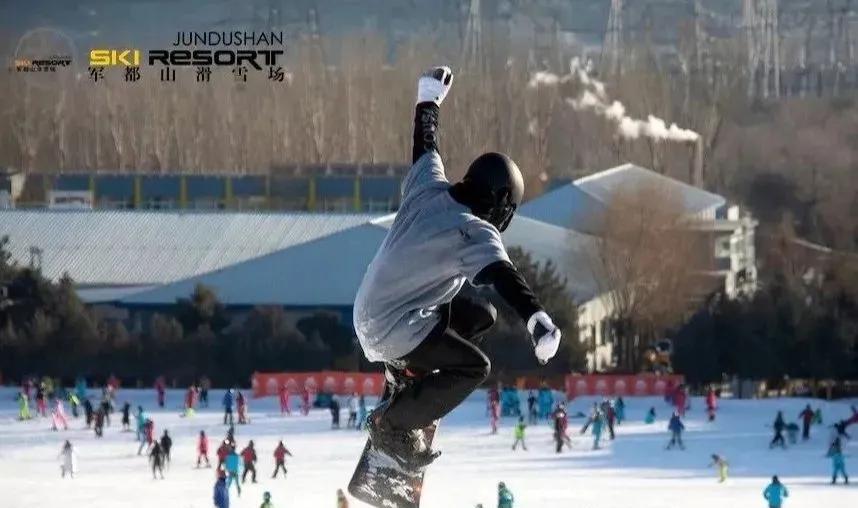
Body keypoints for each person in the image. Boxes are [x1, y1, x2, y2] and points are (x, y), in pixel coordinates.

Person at [354, 66, 561, 467]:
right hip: (390, 329)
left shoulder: (428, 186)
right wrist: (537, 319)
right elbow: (505, 276)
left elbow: (425, 144)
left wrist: (428, 99)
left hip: (373, 311)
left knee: (482, 315)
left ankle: (406, 374)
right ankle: (391, 425)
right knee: (474, 366)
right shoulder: (474, 231)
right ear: (499, 202)